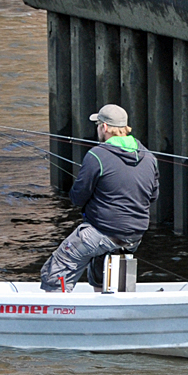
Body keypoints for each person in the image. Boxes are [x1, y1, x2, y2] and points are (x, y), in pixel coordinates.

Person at [40, 104, 159, 292]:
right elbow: (152, 196)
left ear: (104, 127)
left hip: (103, 232)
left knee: (58, 268)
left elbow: (78, 197)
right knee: (100, 266)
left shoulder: (97, 155)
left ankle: (57, 311)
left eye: (98, 125)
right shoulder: (149, 157)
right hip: (134, 236)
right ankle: (108, 307)